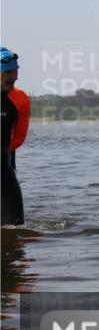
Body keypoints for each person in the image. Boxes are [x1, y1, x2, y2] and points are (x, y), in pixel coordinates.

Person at [1, 47, 25, 225]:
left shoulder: (18, 99)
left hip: (5, 175)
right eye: (8, 72)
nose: (14, 76)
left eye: (15, 71)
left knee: (13, 229)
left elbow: (18, 138)